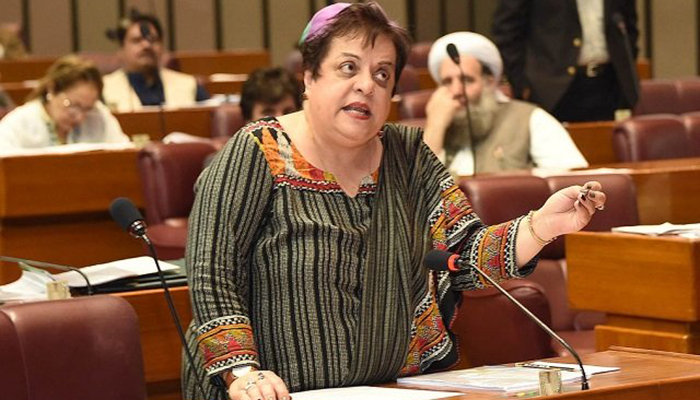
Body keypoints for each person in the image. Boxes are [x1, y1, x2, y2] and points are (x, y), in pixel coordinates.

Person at [182, 3, 607, 400]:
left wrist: (542, 226)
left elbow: (463, 257)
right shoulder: (258, 150)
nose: (366, 85)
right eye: (348, 67)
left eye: (382, 74)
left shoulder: (409, 158)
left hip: (387, 389)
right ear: (309, 77)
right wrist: (242, 373)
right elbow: (213, 273)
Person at [423, 32, 589, 176]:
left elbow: (572, 179)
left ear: (489, 82)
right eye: (446, 82)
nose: (456, 90)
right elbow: (417, 191)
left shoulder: (529, 119)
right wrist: (435, 127)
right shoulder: (433, 130)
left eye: (467, 80)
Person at [492, 0, 639, 122]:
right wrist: (522, 86)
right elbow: (507, 31)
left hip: (610, 84)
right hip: (551, 89)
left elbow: (629, 26)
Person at [0, 55, 129, 149]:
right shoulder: (19, 123)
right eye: (73, 106)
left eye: (87, 109)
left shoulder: (97, 114)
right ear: (52, 89)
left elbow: (124, 152)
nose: (80, 117)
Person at [102, 13, 210, 112]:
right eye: (137, 40)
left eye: (153, 40)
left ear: (162, 47)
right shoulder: (104, 89)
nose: (146, 45)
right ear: (121, 50)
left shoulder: (190, 85)